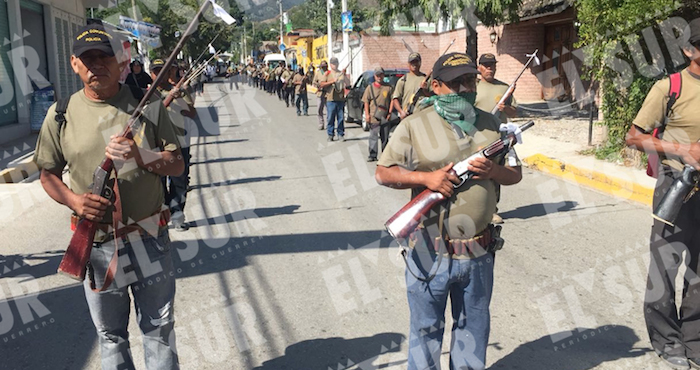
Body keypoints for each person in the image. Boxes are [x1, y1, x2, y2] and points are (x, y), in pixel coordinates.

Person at [34, 23, 183, 370]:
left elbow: (176, 165)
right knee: (111, 335)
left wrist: (140, 156)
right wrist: (75, 201)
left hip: (150, 237)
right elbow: (47, 174)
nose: (96, 65)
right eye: (88, 58)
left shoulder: (148, 104)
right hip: (98, 244)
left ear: (121, 63)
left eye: (105, 57)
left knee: (159, 329)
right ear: (74, 63)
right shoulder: (60, 115)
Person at [375, 52, 522, 370]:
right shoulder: (415, 125)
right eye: (457, 83)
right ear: (437, 86)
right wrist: (426, 178)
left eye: (470, 80)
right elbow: (384, 172)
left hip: (479, 253)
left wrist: (493, 172)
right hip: (430, 250)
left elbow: (515, 174)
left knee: (473, 336)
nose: (467, 87)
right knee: (426, 338)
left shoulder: (491, 123)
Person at [625, 18, 700, 370]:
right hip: (678, 186)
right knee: (666, 266)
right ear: (688, 50)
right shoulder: (669, 86)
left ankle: (695, 340)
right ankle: (667, 340)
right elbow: (634, 137)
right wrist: (680, 149)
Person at [151, 59, 198, 232]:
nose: (159, 75)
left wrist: (179, 99)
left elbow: (192, 113)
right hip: (157, 144)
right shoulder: (146, 93)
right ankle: (163, 214)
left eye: (163, 71)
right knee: (158, 182)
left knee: (180, 180)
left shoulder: (179, 90)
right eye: (156, 71)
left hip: (180, 142)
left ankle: (177, 216)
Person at [474, 53, 518, 225]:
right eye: (485, 65)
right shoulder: (474, 87)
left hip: (498, 138)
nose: (489, 68)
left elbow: (515, 112)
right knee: (476, 174)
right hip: (476, 137)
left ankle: (493, 210)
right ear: (479, 68)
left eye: (492, 64)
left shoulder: (504, 88)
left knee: (495, 173)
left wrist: (505, 108)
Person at [387, 52, 429, 148]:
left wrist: (425, 89)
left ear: (420, 63)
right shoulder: (403, 80)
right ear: (408, 64)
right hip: (407, 116)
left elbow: (432, 96)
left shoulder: (426, 79)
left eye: (416, 62)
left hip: (422, 117)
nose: (414, 64)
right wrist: (401, 112)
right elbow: (395, 99)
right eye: (412, 62)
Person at [361, 66, 392, 162]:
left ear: (383, 75)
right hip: (374, 116)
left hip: (385, 115)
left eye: (381, 75)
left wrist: (390, 112)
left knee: (385, 137)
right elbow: (366, 101)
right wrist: (367, 115)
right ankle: (372, 155)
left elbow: (392, 100)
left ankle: (385, 155)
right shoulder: (370, 88)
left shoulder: (389, 87)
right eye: (377, 75)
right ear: (374, 76)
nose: (379, 77)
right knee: (373, 136)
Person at [318, 57, 350, 142]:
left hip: (340, 99)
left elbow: (348, 83)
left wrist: (345, 75)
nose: (334, 65)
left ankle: (340, 134)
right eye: (333, 63)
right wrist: (332, 81)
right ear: (330, 64)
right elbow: (321, 84)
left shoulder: (341, 73)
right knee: (330, 118)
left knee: (341, 118)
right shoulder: (327, 73)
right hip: (330, 99)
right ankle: (330, 134)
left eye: (336, 63)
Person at [313, 60, 329, 130]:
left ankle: (328, 124)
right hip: (320, 93)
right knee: (319, 109)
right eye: (322, 66)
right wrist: (318, 85)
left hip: (328, 94)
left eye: (325, 66)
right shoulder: (318, 73)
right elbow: (314, 82)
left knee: (329, 110)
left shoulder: (329, 73)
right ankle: (321, 123)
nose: (324, 67)